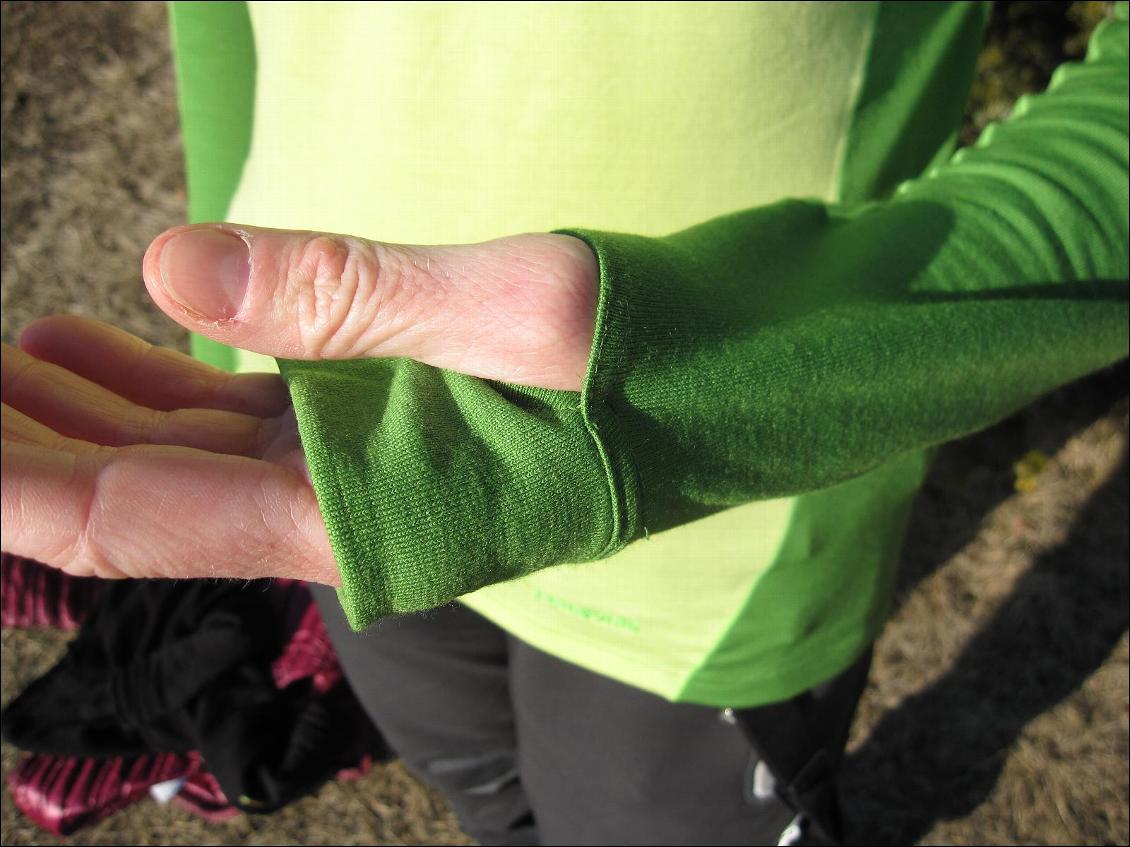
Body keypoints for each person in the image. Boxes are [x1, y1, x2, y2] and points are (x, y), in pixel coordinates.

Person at [1, 1, 1126, 844]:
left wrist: (703, 382)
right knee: (484, 790)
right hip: (340, 459)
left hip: (708, 544)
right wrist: (227, 324)